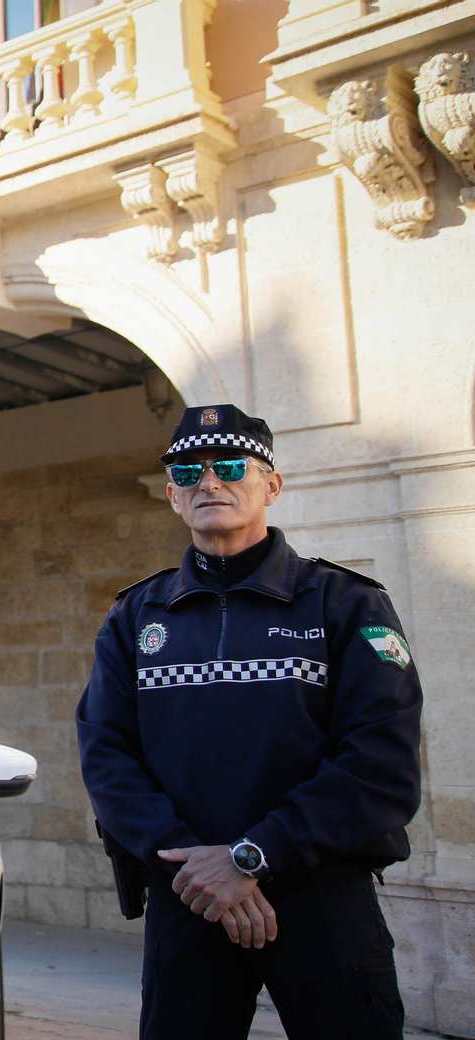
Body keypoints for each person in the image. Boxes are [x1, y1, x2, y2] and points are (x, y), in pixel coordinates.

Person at [77, 404, 422, 1040]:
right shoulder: (135, 616)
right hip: (189, 894)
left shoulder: (347, 604)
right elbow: (106, 756)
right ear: (174, 497)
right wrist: (195, 865)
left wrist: (253, 856)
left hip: (321, 896)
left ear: (272, 485)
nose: (209, 481)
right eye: (188, 472)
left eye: (231, 466)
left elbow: (382, 763)